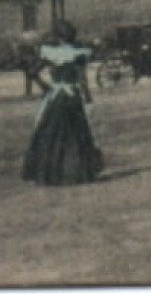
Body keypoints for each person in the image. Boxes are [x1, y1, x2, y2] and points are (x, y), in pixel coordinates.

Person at [22, 21, 103, 185]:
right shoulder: (78, 54)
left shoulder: (50, 54)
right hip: (72, 97)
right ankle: (77, 172)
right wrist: (87, 99)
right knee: (76, 133)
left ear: (57, 37)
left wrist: (45, 87)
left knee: (51, 133)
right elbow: (82, 80)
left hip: (56, 97)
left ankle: (50, 172)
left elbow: (32, 72)